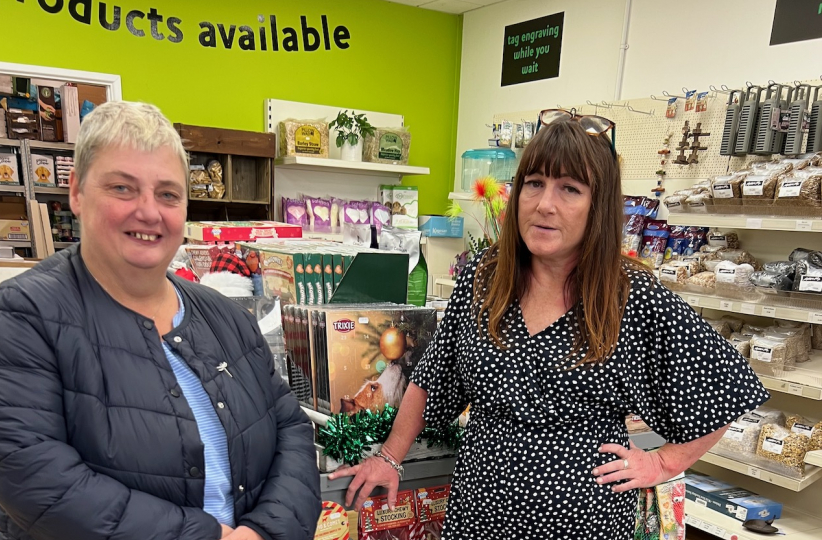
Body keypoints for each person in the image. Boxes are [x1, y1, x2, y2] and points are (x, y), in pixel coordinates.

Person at [330, 110, 769, 538]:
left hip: (583, 522)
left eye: (570, 189)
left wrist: (662, 463)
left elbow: (726, 386)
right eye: (535, 184)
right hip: (479, 516)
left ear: (598, 206)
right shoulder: (485, 278)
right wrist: (388, 457)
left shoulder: (629, 297)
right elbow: (432, 377)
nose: (545, 205)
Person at [0, 101, 321, 540]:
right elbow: (39, 480)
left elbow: (290, 430)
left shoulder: (225, 316)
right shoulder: (22, 316)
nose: (149, 212)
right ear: (76, 192)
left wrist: (264, 531)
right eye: (123, 188)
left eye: (168, 194)